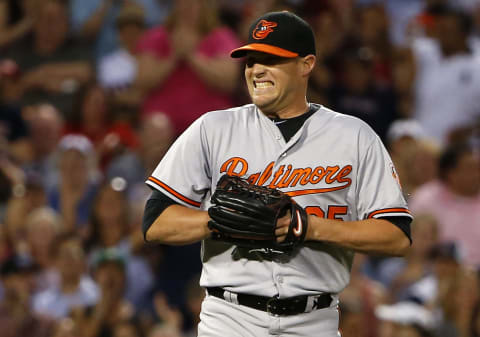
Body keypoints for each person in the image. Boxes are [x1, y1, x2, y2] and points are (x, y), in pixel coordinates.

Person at [142, 11, 412, 336]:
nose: (257, 70)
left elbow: (396, 235)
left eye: (271, 59)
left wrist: (310, 227)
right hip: (229, 320)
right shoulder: (212, 129)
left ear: (306, 64)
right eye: (251, 60)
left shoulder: (354, 136)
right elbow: (155, 222)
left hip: (314, 321)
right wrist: (221, 221)